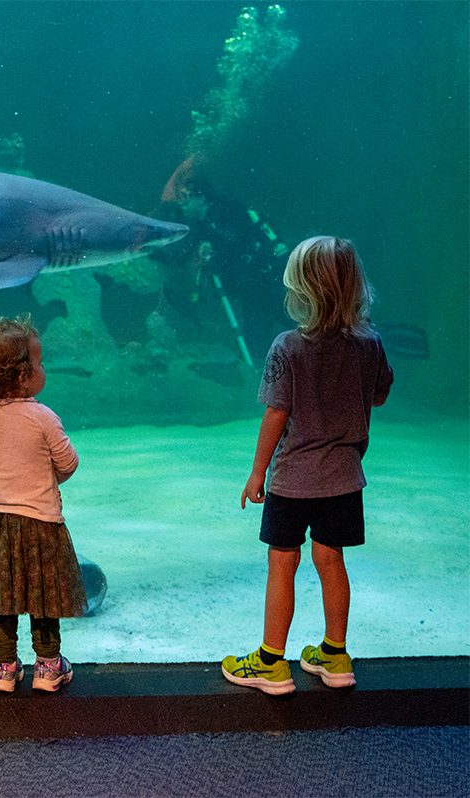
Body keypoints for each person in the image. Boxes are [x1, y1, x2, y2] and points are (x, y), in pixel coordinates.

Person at [221, 236, 394, 696]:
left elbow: (276, 412)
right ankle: (335, 656)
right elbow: (379, 393)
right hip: (344, 478)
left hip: (293, 480)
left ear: (302, 290)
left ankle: (270, 662)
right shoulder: (370, 343)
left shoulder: (287, 346)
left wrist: (257, 472)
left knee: (283, 562)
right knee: (330, 559)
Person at [0, 316, 87, 693]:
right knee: (44, 596)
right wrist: (43, 478)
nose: (43, 368)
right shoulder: (42, 416)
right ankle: (48, 667)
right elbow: (68, 463)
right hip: (40, 522)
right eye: (39, 362)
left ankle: (2, 668)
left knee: (0, 597)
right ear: (20, 375)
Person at [154, 163, 294, 365]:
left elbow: (236, 247)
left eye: (185, 197)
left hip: (272, 279)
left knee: (296, 325)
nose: (181, 204)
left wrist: (214, 258)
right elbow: (182, 256)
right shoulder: (202, 224)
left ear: (200, 197)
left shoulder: (225, 212)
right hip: (254, 289)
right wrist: (154, 252)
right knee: (257, 342)